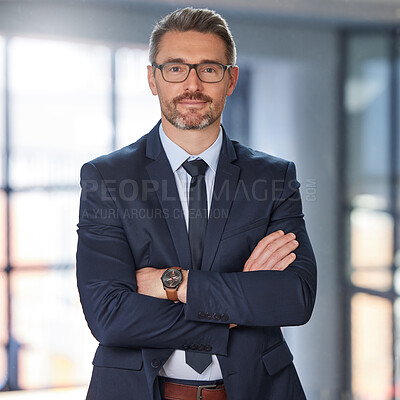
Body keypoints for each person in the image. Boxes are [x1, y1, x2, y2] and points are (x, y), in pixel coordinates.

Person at [76, 7, 317, 400]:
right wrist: (238, 309)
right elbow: (110, 317)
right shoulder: (107, 178)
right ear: (153, 79)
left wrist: (174, 283)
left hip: (260, 389)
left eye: (209, 69)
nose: (192, 84)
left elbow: (294, 297)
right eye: (175, 68)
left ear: (231, 79)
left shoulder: (273, 178)